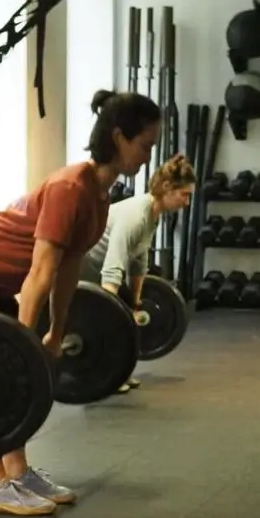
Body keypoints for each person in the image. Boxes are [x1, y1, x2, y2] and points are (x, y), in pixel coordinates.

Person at [0, 89, 161, 516]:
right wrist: (22, 346)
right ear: (119, 138)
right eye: (144, 145)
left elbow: (67, 273)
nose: (147, 156)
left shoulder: (100, 197)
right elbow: (40, 274)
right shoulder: (70, 187)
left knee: (11, 369)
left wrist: (56, 331)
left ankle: (18, 472)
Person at [80, 154, 195, 391]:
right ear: (167, 187)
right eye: (184, 195)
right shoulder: (136, 215)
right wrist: (112, 311)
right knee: (111, 318)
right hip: (81, 266)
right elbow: (113, 267)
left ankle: (119, 372)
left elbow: (139, 262)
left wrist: (135, 302)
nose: (187, 202)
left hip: (98, 268)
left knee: (125, 312)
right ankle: (106, 377)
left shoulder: (152, 216)